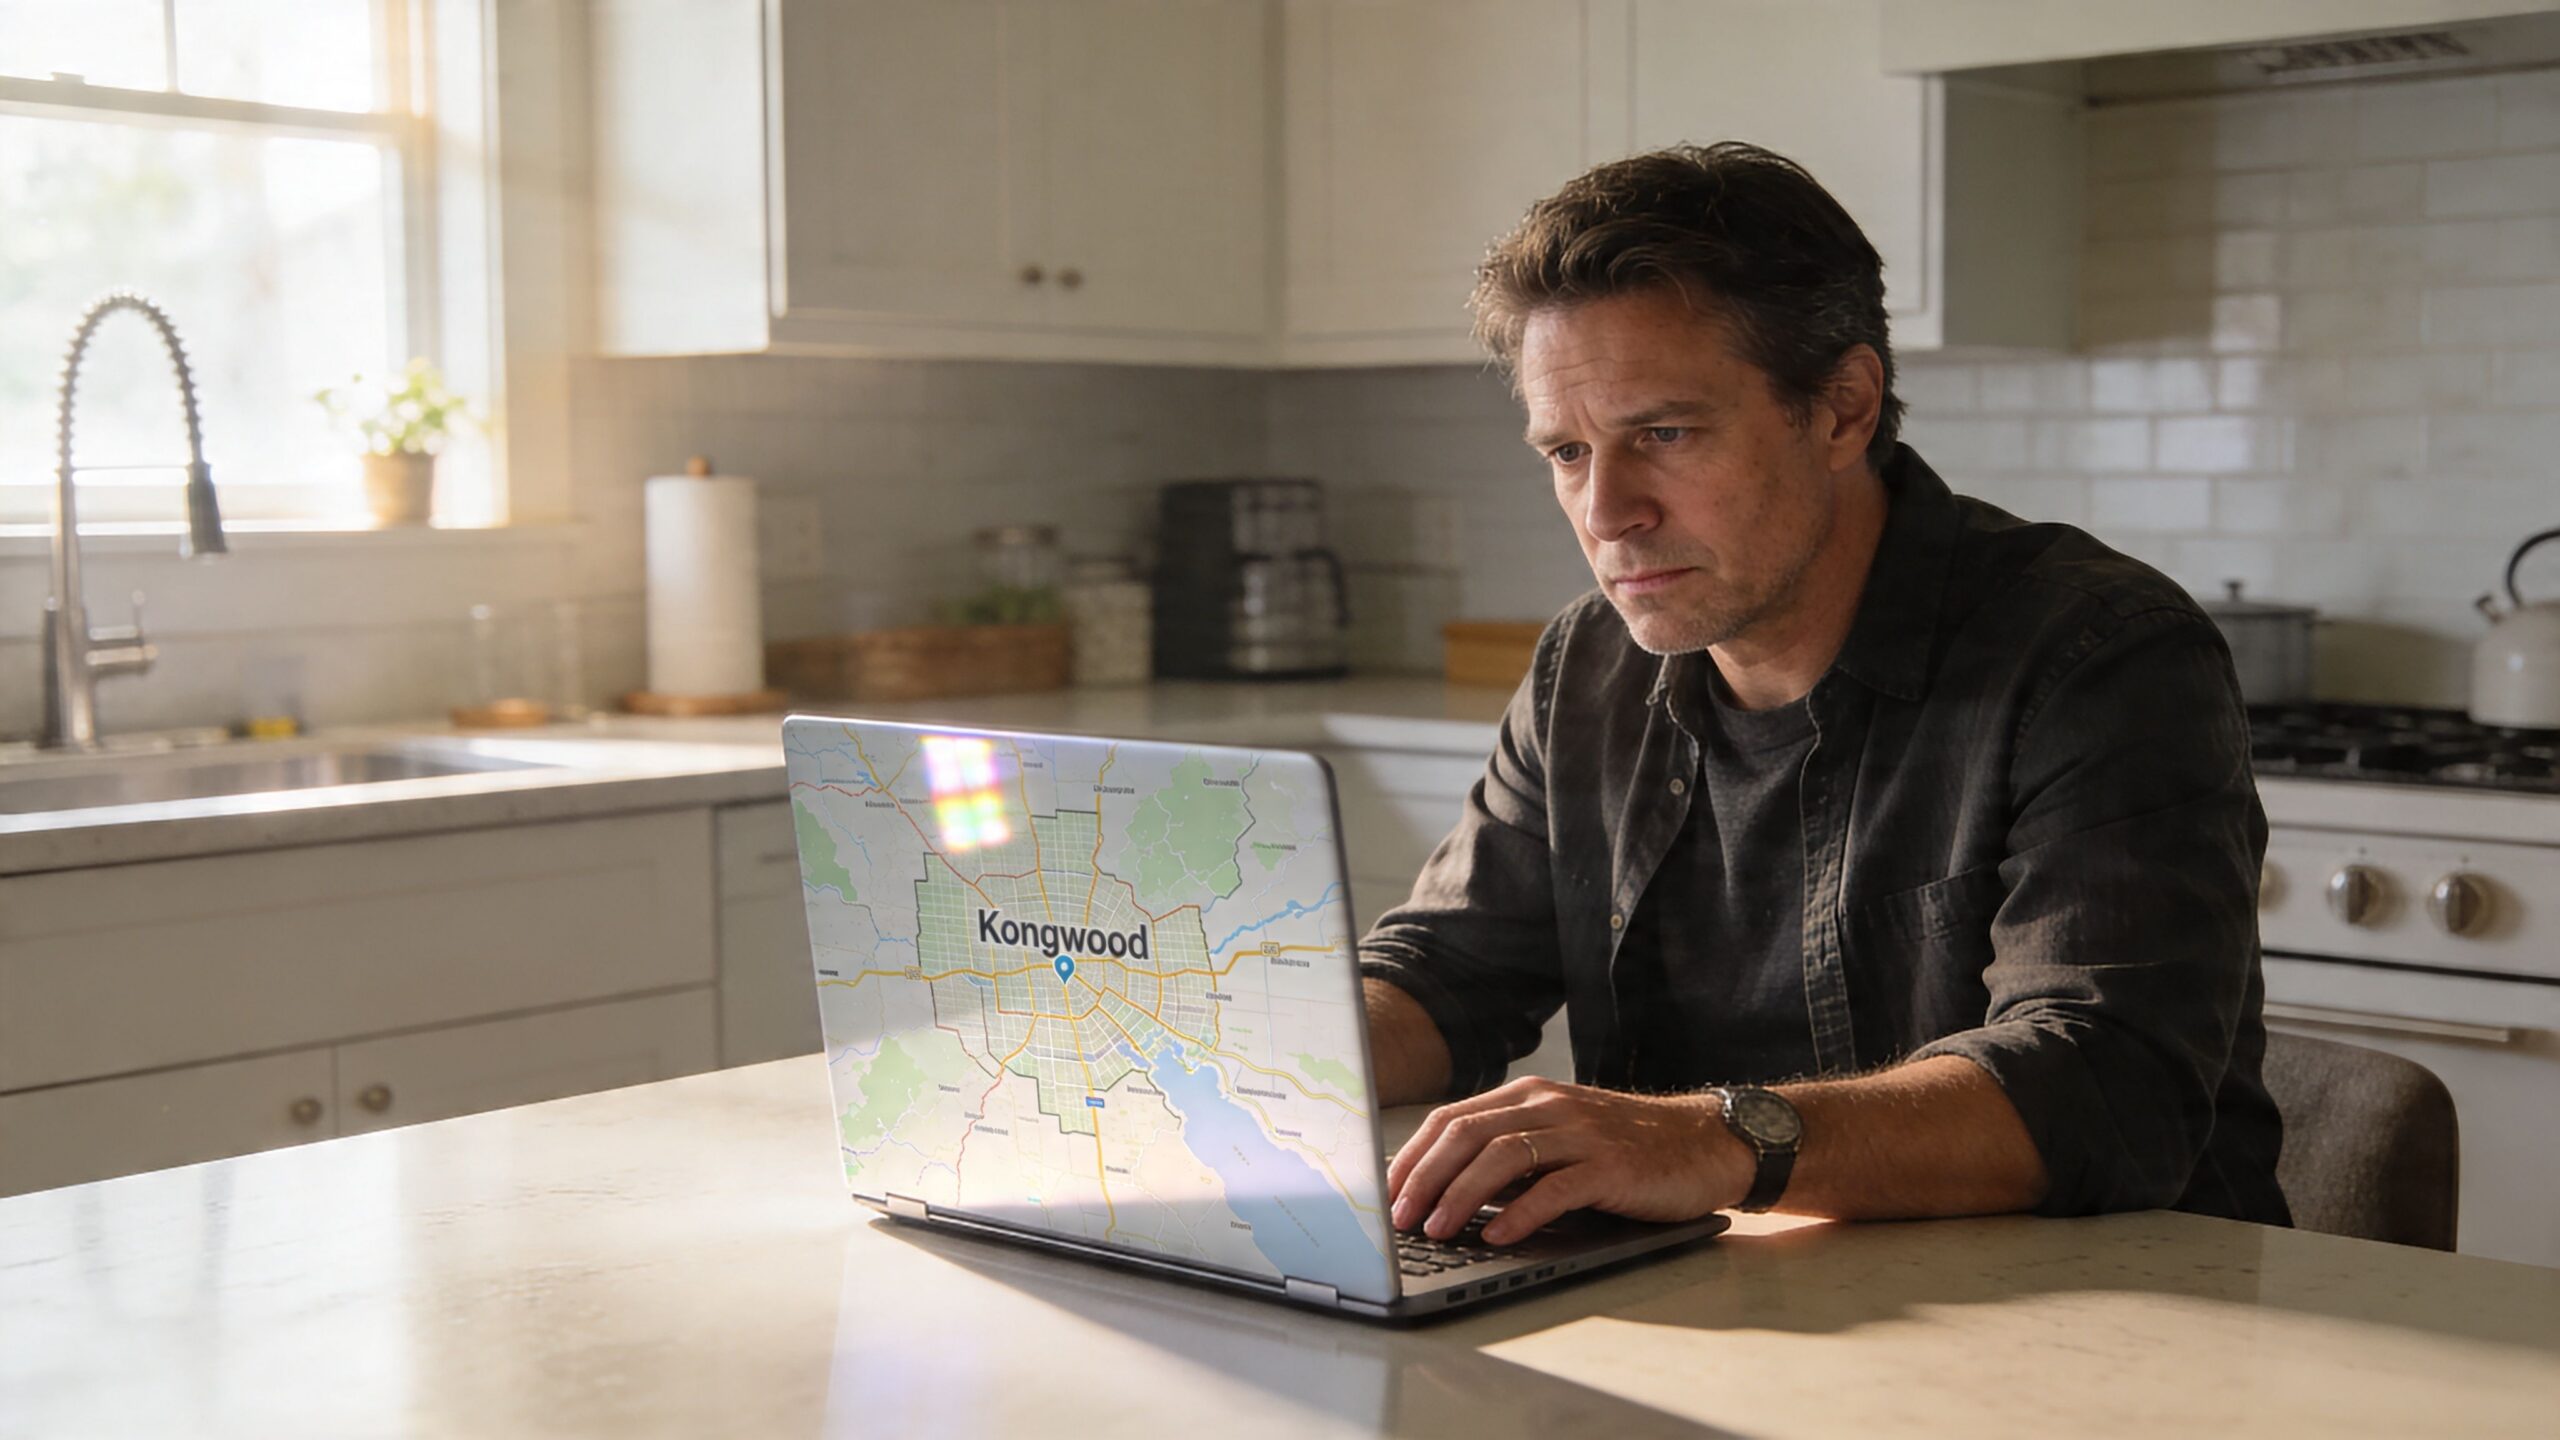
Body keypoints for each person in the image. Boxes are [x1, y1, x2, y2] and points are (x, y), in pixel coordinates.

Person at [1363, 141, 2291, 1247]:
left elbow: (2103, 1083)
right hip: (1744, 1308)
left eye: (1662, 434)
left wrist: (1700, 1140)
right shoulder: (1587, 665)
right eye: (1566, 451)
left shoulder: (2098, 654)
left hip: (2109, 1333)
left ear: (1844, 408)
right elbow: (1447, 972)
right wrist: (1242, 1052)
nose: (1606, 512)